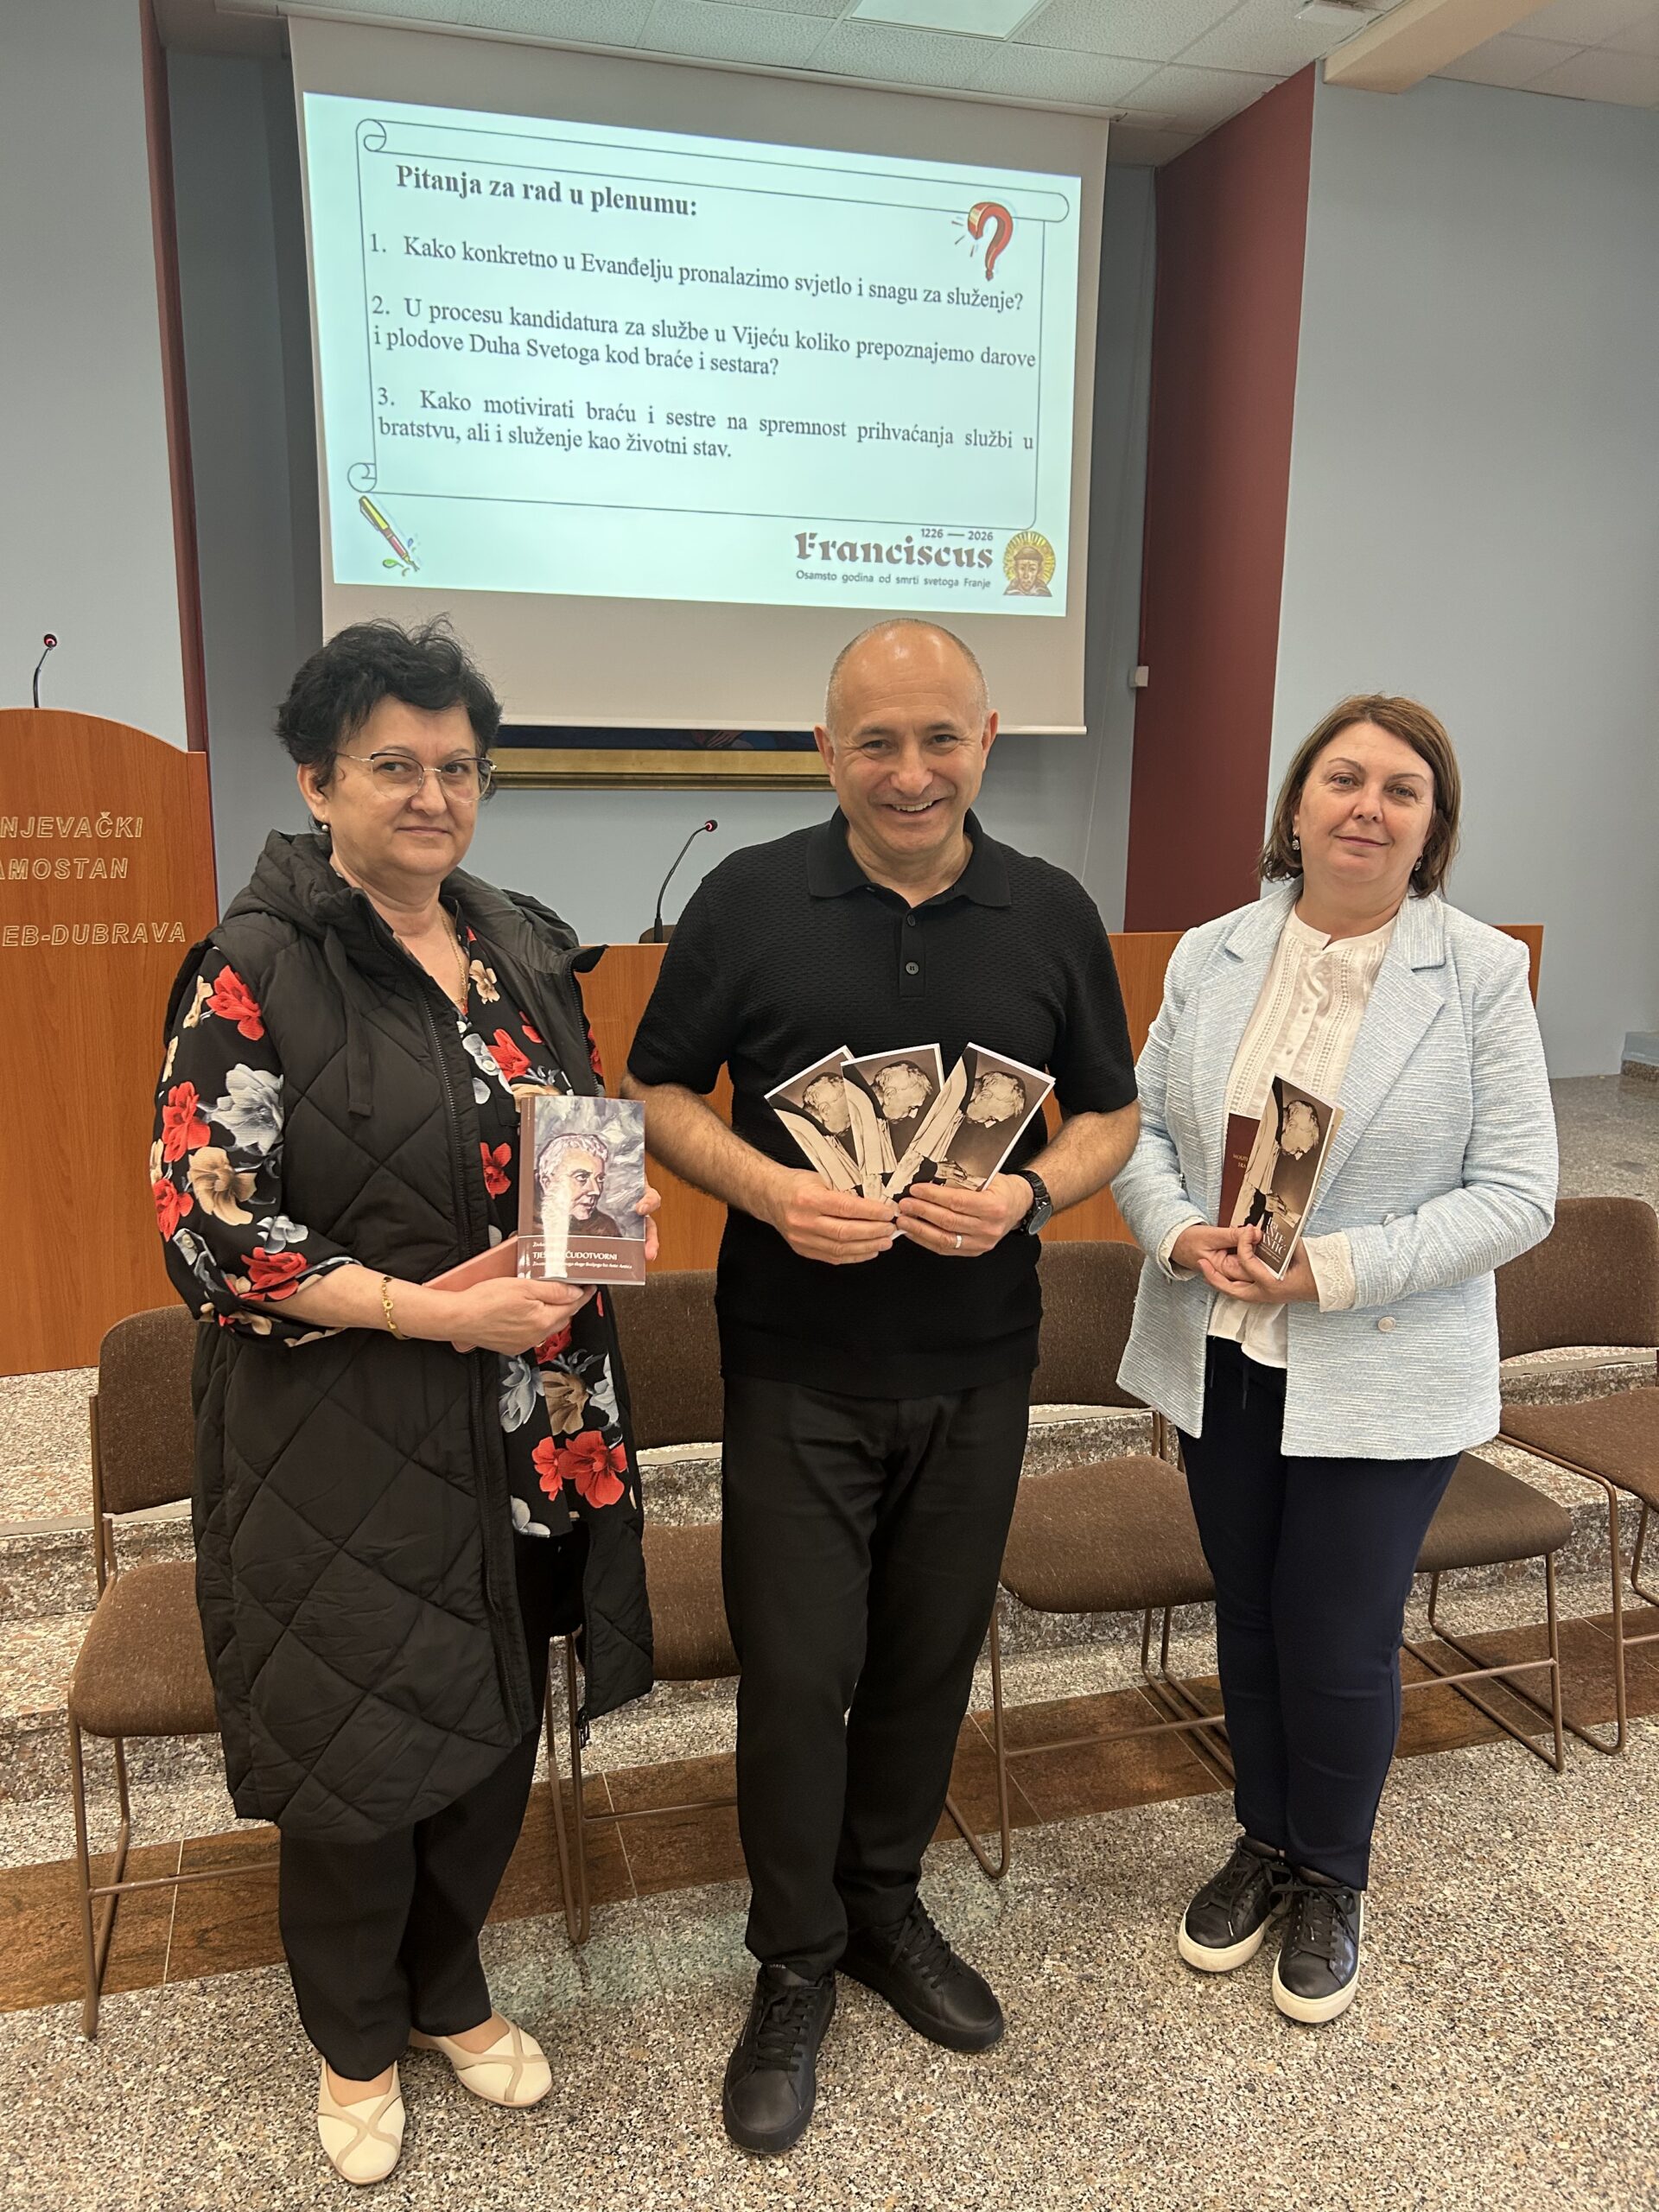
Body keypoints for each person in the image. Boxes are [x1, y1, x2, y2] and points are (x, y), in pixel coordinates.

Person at [623, 619, 1140, 2155]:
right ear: (826, 750)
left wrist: (1033, 1192)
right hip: (795, 1367)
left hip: (982, 1367)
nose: (910, 772)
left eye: (939, 739)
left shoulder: (1051, 910)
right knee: (796, 1677)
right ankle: (793, 1961)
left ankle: (883, 1907)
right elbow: (657, 1089)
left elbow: (1110, 1115)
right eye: (876, 742)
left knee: (927, 1662)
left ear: (987, 740)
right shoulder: (747, 899)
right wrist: (767, 1189)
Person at [150, 620, 657, 2184]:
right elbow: (211, 1228)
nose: (433, 796)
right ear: (317, 781)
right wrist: (434, 1311)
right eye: (394, 765)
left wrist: (606, 1229)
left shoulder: (518, 941)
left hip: (534, 1414)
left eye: (458, 767)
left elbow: (575, 1139)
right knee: (360, 1744)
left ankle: (448, 1988)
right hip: (343, 1430)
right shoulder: (253, 967)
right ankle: (354, 2035)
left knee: (495, 1713)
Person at [1113, 695, 1556, 2026]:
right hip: (1224, 1349)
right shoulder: (1213, 953)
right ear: (1296, 807)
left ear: (1431, 828)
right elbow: (1138, 1131)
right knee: (1249, 1615)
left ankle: (1331, 1875)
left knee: (1340, 1634)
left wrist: (1332, 1269)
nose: (1367, 805)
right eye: (1343, 778)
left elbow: (1520, 1192)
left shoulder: (1476, 972)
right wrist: (1177, 1229)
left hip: (1379, 1358)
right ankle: (1264, 1839)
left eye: (1400, 789)